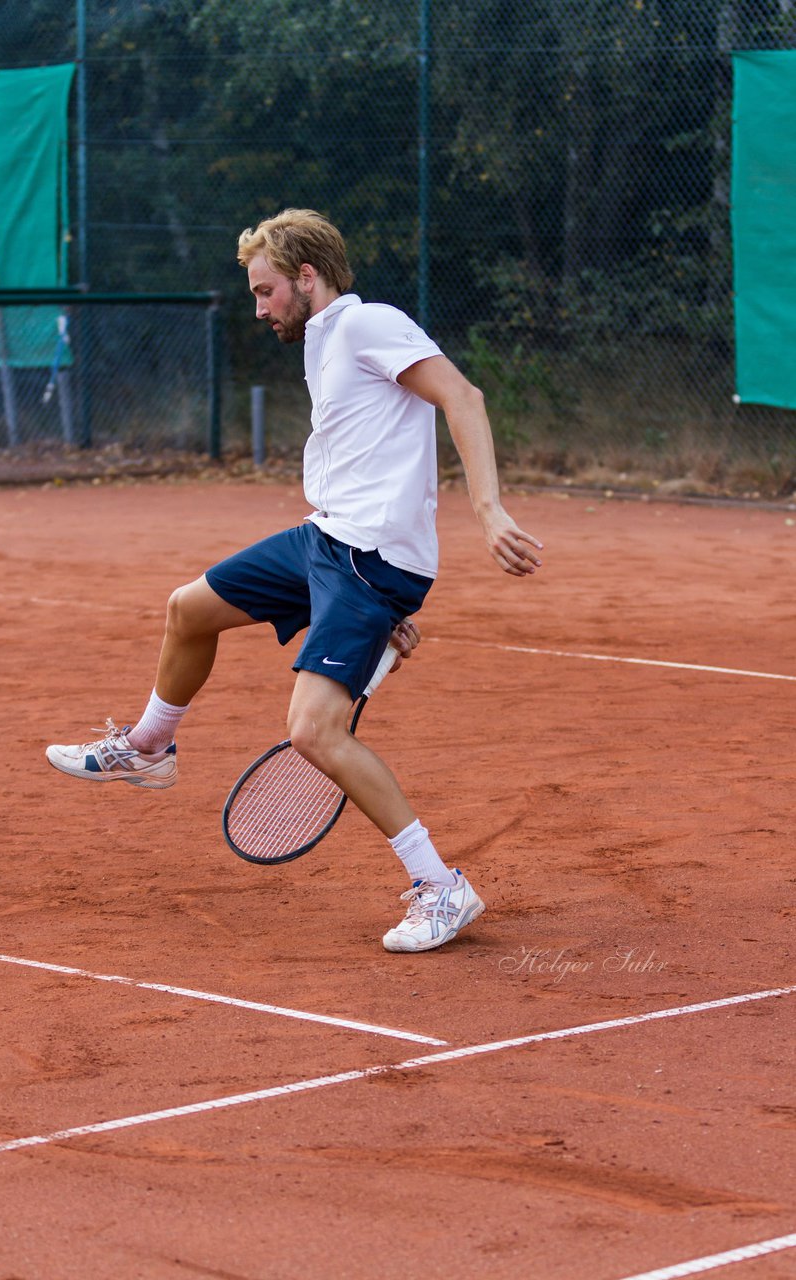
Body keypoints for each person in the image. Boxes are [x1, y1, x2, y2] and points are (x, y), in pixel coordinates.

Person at [47, 209, 544, 953]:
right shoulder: (322, 338)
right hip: (326, 540)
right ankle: (150, 748)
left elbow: (462, 398)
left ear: (307, 277)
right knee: (188, 610)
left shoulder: (366, 323)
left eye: (266, 289)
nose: (259, 307)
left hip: (368, 558)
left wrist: (489, 510)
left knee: (313, 731)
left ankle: (442, 887)